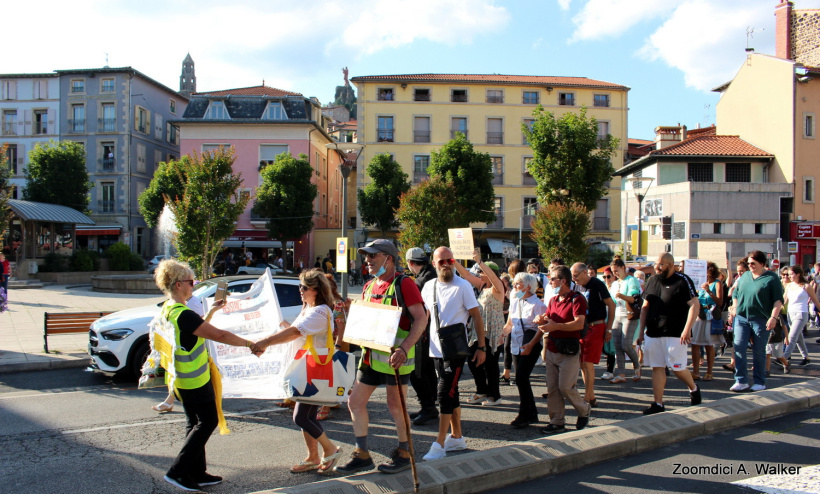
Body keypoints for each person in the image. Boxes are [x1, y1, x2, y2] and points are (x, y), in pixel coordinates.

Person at [152, 259, 259, 491]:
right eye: (191, 282)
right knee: (208, 421)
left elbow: (195, 332)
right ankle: (177, 471)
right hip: (194, 379)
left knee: (194, 423)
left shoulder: (168, 309)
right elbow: (218, 336)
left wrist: (211, 312)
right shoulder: (183, 314)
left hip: (180, 378)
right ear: (179, 285)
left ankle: (197, 472)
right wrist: (251, 344)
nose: (194, 285)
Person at [336, 239, 427, 475]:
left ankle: (405, 453)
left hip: (396, 359)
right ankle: (362, 454)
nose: (367, 259)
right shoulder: (369, 286)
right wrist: (349, 312)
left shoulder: (404, 284)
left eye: (372, 256)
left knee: (396, 407)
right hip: (370, 358)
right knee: (354, 402)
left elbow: (421, 318)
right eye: (366, 255)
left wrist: (404, 348)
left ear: (388, 258)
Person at [253, 270, 344, 474]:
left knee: (301, 417)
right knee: (307, 416)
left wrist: (266, 342)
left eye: (304, 287)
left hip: (312, 371)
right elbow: (295, 332)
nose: (300, 291)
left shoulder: (319, 312)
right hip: (306, 370)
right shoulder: (310, 309)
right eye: (299, 287)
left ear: (316, 290)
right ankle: (312, 456)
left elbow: (295, 332)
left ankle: (331, 449)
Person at [420, 247, 486, 460]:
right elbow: (424, 316)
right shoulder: (429, 286)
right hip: (436, 349)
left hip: (455, 349)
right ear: (434, 263)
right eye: (442, 261)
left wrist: (482, 347)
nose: (446, 264)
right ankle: (457, 437)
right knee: (451, 392)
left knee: (443, 392)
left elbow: (476, 316)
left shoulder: (463, 286)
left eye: (450, 260)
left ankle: (439, 443)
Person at [636, 253, 702, 414]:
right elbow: (645, 307)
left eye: (661, 265)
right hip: (653, 332)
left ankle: (693, 388)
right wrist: (641, 332)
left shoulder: (682, 280)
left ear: (671, 265)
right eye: (656, 264)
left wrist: (687, 329)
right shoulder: (652, 280)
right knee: (657, 367)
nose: (657, 268)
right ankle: (658, 404)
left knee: (678, 368)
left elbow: (695, 305)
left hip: (675, 333)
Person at [534, 265, 591, 434]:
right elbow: (548, 321)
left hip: (568, 349)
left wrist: (554, 326)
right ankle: (557, 421)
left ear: (563, 281)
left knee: (566, 386)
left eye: (552, 279)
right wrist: (541, 320)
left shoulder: (577, 299)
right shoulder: (552, 300)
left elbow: (579, 323)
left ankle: (584, 410)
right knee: (552, 389)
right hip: (552, 348)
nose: (550, 282)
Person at [454, 250, 505, 406]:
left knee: (490, 364)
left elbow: (494, 279)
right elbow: (466, 275)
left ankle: (494, 396)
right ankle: (481, 391)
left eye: (482, 272)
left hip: (492, 332)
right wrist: (453, 260)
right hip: (479, 330)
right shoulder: (483, 286)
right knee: (473, 361)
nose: (479, 274)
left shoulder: (498, 288)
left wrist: (479, 261)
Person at [728, 250, 784, 392]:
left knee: (759, 351)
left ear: (762, 263)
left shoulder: (772, 278)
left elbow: (778, 300)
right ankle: (741, 380)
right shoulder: (745, 276)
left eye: (753, 263)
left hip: (761, 319)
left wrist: (773, 317)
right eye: (749, 263)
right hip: (741, 318)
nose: (750, 266)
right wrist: (734, 307)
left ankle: (759, 381)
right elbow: (736, 293)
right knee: (739, 347)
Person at [501, 272, 546, 428]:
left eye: (518, 284)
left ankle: (524, 414)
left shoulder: (538, 304)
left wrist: (532, 344)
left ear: (528, 286)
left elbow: (542, 328)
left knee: (521, 377)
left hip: (531, 344)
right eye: (514, 283)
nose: (515, 286)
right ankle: (532, 413)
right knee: (522, 379)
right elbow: (509, 324)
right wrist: (501, 334)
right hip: (516, 344)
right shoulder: (515, 302)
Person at [153, 290, 207, 413]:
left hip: (194, 350)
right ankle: (170, 401)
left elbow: (202, 324)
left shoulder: (192, 303)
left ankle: (171, 402)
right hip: (183, 350)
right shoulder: (175, 305)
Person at [570, 263, 615, 407]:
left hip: (596, 326)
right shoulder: (576, 286)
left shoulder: (597, 284)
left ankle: (588, 396)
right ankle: (591, 395)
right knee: (582, 363)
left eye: (576, 275)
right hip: (582, 327)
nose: (574, 279)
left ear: (585, 273)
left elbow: (611, 305)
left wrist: (609, 329)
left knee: (588, 363)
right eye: (572, 276)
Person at [404, 247, 440, 426]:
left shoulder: (421, 280)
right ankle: (430, 404)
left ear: (410, 263)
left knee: (416, 371)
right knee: (426, 369)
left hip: (424, 331)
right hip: (433, 330)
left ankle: (428, 407)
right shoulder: (432, 275)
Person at [314, 273, 352, 421]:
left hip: (336, 343)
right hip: (325, 344)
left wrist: (337, 347)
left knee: (332, 376)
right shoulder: (321, 303)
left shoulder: (336, 303)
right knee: (336, 376)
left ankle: (326, 407)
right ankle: (347, 399)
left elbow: (341, 327)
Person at [609, 258, 642, 384]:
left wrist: (621, 296)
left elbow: (633, 299)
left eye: (616, 270)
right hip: (617, 315)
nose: (615, 274)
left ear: (623, 268)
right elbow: (611, 300)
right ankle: (621, 374)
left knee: (626, 345)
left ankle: (637, 366)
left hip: (629, 315)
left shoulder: (631, 280)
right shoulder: (615, 283)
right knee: (617, 346)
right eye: (613, 272)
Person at [690, 262, 724, 381]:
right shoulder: (698, 283)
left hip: (711, 314)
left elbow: (720, 302)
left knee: (709, 345)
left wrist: (709, 291)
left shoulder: (717, 283)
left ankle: (709, 372)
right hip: (699, 314)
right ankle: (696, 372)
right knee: (695, 343)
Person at [783, 265, 818, 366]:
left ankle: (784, 358)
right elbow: (784, 300)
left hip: (801, 313)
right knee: (798, 337)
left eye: (791, 274)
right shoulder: (789, 286)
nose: (789, 276)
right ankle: (806, 357)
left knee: (792, 336)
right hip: (790, 314)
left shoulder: (806, 286)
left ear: (798, 274)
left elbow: (815, 300)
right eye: (788, 274)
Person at [501, 259, 523, 384]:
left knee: (515, 349)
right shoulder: (516, 287)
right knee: (508, 347)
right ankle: (507, 373)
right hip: (514, 320)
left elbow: (517, 301)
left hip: (519, 321)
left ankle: (515, 375)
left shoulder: (520, 288)